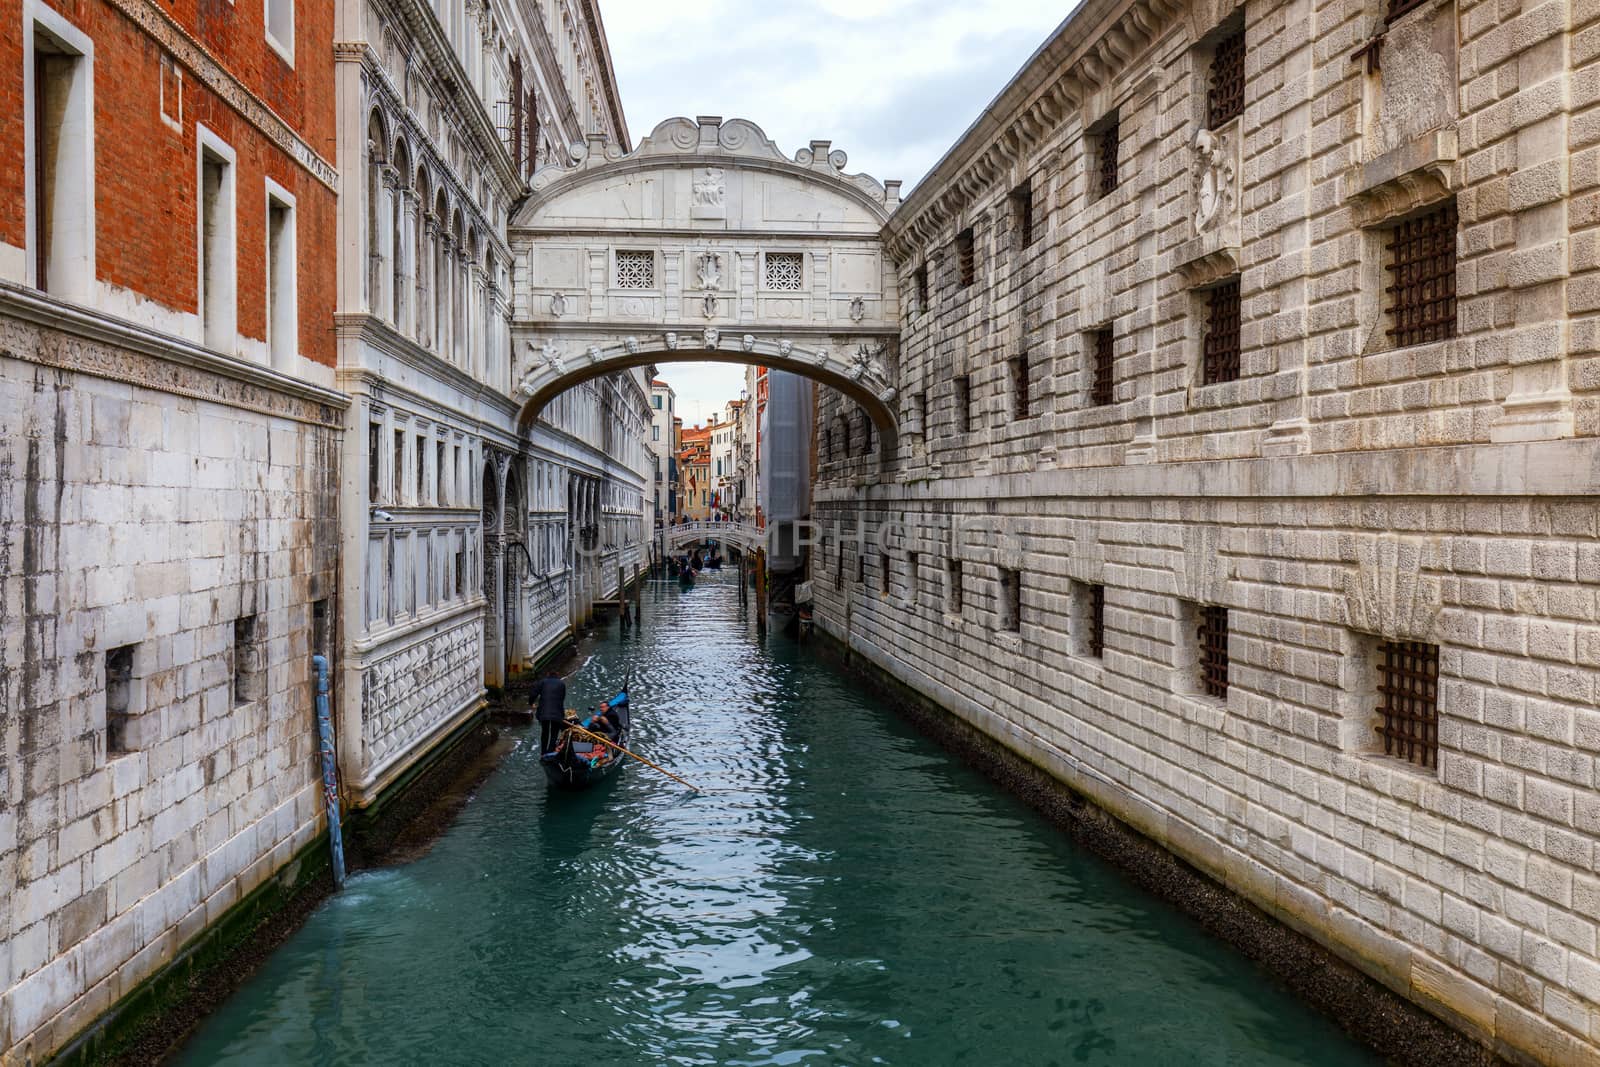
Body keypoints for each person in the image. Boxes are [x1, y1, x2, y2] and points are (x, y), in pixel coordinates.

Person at [534, 671, 567, 755]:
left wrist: (531, 703)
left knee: (545, 732)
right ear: (557, 676)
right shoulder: (562, 684)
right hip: (557, 714)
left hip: (544, 713)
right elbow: (562, 698)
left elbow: (533, 694)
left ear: (548, 675)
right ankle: (550, 751)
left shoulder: (542, 682)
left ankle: (543, 752)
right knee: (554, 734)